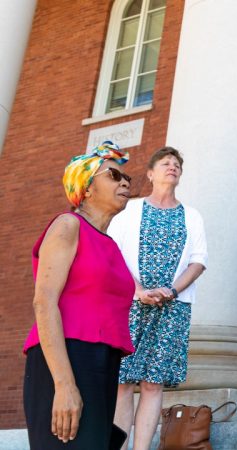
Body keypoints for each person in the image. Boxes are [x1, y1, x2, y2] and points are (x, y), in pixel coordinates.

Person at [22, 141, 134, 449]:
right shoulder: (68, 225)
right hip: (65, 360)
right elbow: (43, 301)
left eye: (127, 178)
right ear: (86, 188)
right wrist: (64, 384)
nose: (124, 182)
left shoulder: (111, 245)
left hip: (104, 364)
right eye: (113, 175)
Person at [109, 147, 208, 450]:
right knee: (123, 383)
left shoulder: (191, 215)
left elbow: (199, 260)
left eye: (177, 164)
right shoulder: (131, 210)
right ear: (150, 174)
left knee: (153, 384)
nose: (173, 167)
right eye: (166, 163)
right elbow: (112, 253)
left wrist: (173, 291)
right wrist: (138, 290)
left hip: (172, 309)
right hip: (130, 304)